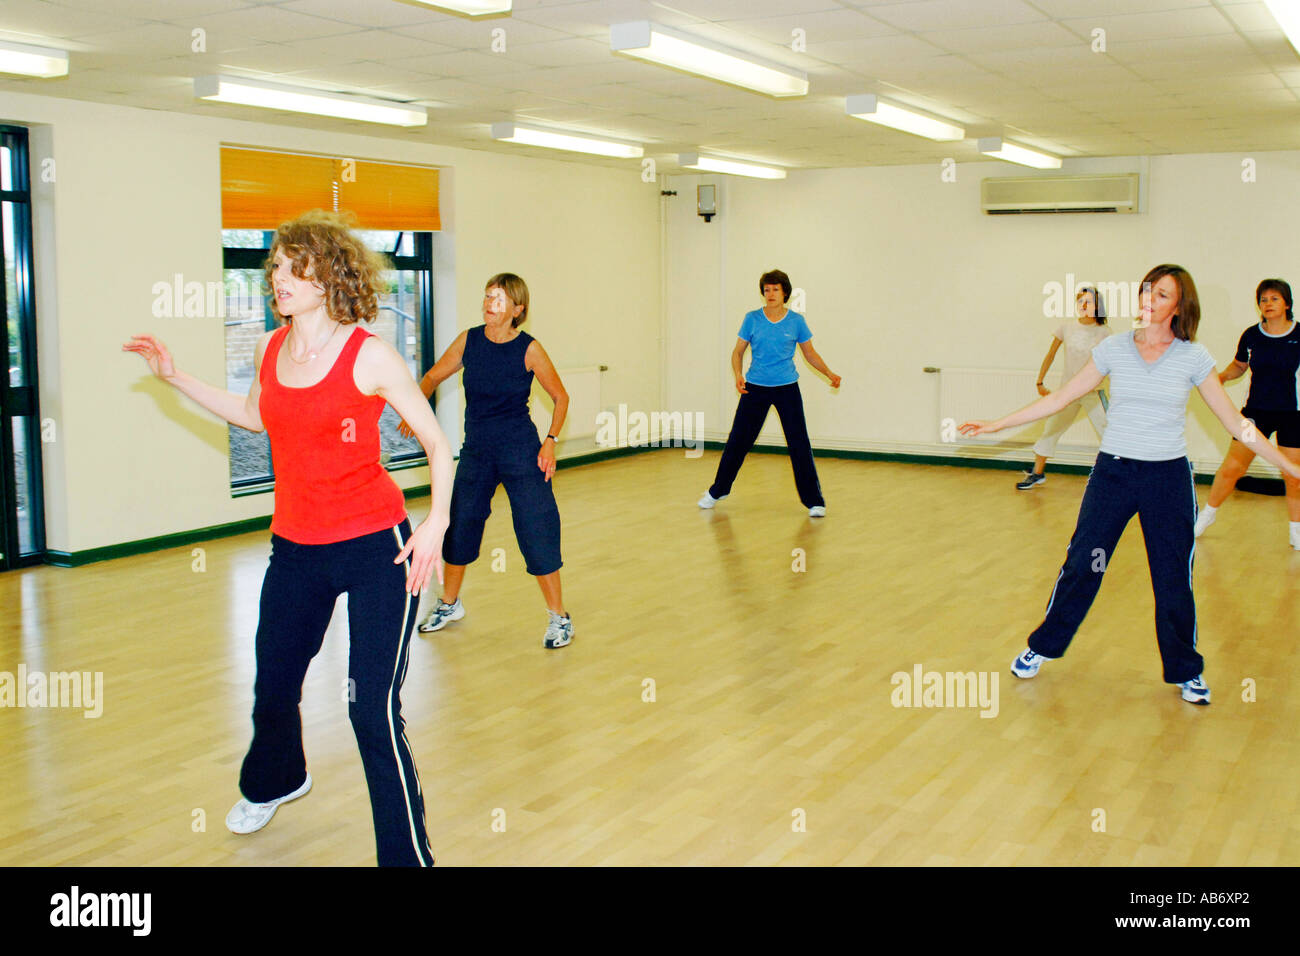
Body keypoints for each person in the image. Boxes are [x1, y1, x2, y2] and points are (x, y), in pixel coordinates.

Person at [123, 210, 453, 866]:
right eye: (275, 264)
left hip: (375, 548)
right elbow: (254, 415)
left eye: (292, 265)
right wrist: (175, 378)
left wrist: (436, 523)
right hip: (296, 548)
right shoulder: (270, 349)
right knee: (273, 681)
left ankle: (407, 858)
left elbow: (439, 445)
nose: (277, 276)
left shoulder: (371, 355)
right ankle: (276, 779)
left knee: (371, 708)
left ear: (329, 275)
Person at [960, 264, 1300, 706]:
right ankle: (1042, 646)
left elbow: (1238, 424)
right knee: (1084, 563)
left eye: (1161, 295)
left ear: (1180, 306)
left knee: (1173, 576)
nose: (1148, 300)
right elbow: (1062, 397)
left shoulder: (1194, 357)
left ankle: (1186, 670)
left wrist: (1290, 467)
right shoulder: (1114, 348)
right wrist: (996, 424)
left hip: (1167, 478)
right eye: (1145, 292)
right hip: (1114, 474)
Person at [401, 274, 573, 648]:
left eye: (498, 299)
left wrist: (550, 442)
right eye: (487, 296)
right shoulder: (469, 341)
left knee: (536, 526)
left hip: (519, 450)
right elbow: (432, 376)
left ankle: (559, 617)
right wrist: (414, 411)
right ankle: (449, 603)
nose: (489, 304)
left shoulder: (530, 349)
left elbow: (561, 397)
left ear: (517, 309)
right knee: (460, 523)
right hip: (477, 450)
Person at [698, 269, 841, 516]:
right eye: (766, 290)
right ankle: (717, 490)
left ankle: (814, 501)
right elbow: (738, 351)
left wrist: (830, 374)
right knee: (738, 441)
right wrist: (738, 375)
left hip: (787, 389)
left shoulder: (796, 321)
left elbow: (810, 354)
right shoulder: (752, 319)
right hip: (755, 388)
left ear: (785, 292)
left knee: (799, 443)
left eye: (775, 289)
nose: (770, 294)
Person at [1194, 279, 1300, 549]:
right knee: (1233, 467)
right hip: (1255, 414)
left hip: (1292, 415)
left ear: (1287, 303)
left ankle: (1296, 531)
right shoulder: (1251, 335)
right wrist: (1220, 378)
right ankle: (1206, 516)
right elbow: (1239, 366)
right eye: (1263, 300)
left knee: (1293, 475)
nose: (1268, 304)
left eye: (1274, 299)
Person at [1016, 284, 1111, 490]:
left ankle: (1121, 479)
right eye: (1081, 301)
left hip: (1094, 393)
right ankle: (1037, 473)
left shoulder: (1105, 333)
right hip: (1068, 392)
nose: (1084, 305)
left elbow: (1112, 365)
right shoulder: (1066, 328)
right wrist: (1040, 381)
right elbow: (1050, 355)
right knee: (1051, 429)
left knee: (1110, 433)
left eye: (1089, 301)